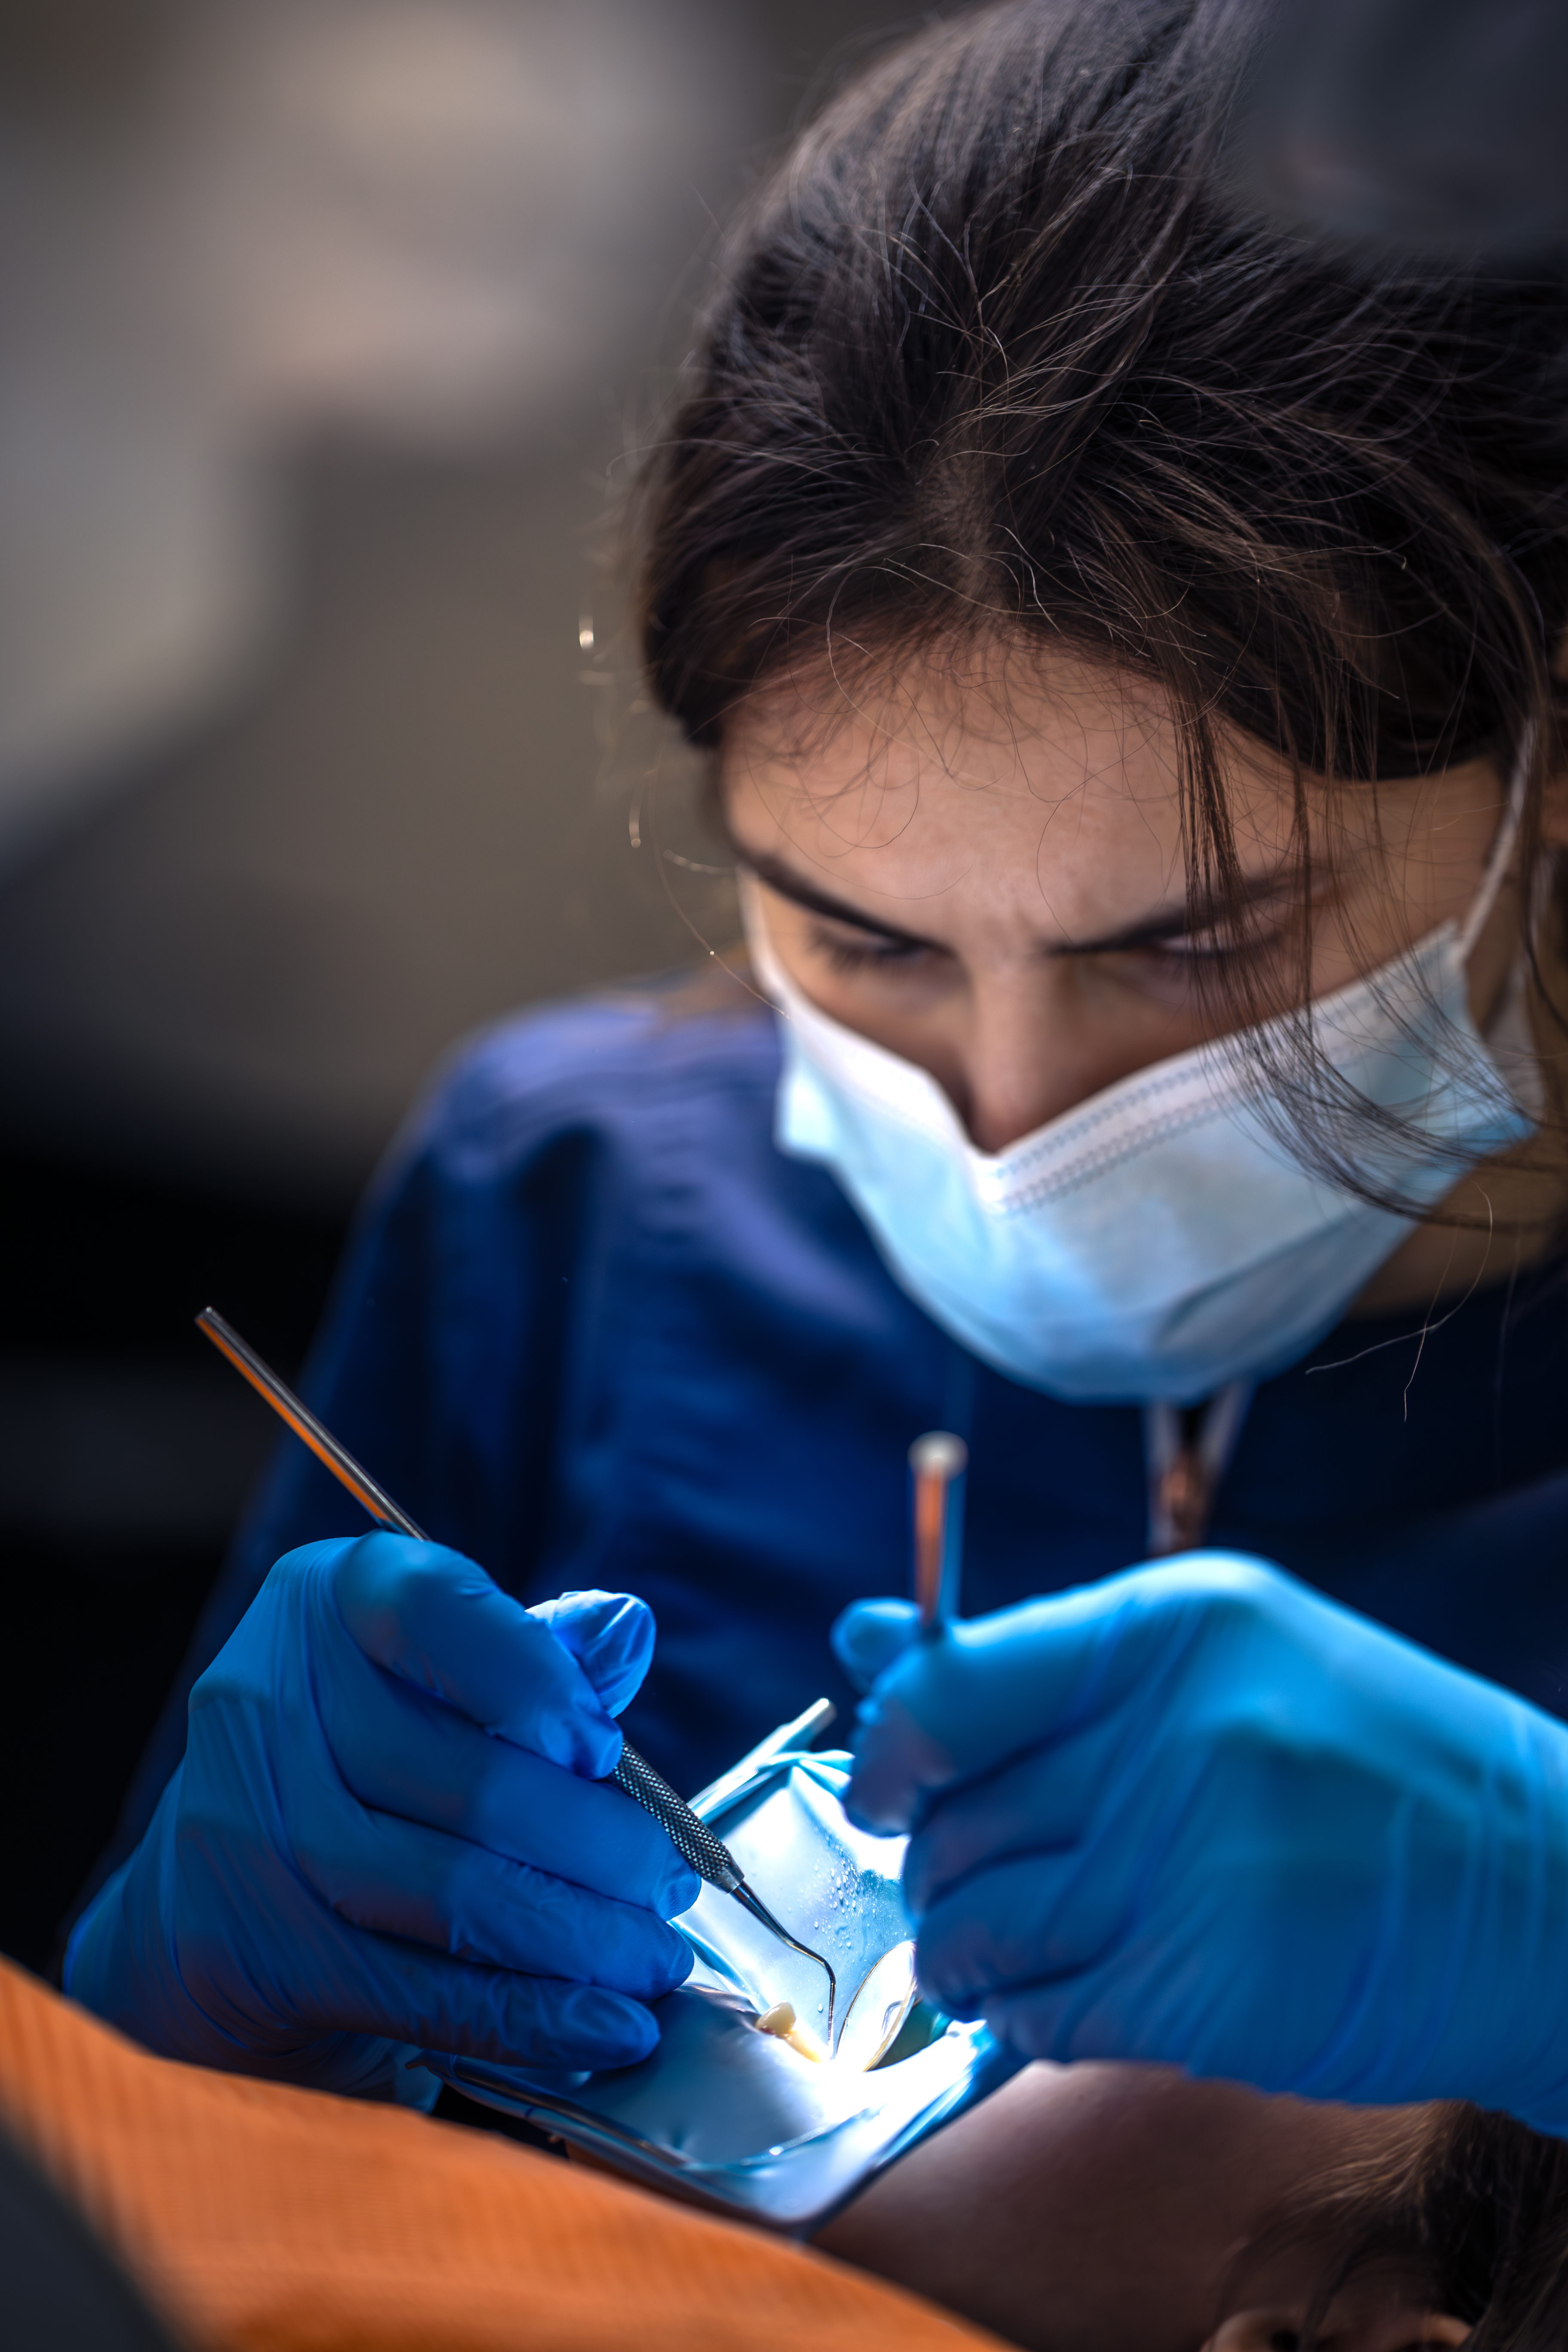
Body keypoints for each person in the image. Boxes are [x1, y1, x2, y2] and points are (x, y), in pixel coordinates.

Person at [63, 0, 1568, 2138]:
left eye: (1197, 949)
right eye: (864, 943)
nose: (1013, 1121)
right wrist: (178, 2018)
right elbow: (159, 2202)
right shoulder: (578, 1207)